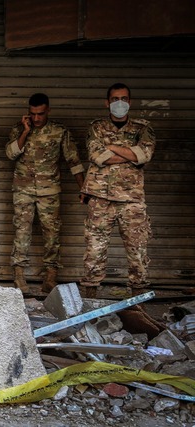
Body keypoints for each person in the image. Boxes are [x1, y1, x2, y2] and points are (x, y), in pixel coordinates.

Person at [80, 83, 155, 298]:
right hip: (100, 199)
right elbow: (97, 157)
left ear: (129, 102)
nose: (119, 103)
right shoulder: (96, 128)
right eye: (115, 99)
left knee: (137, 252)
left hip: (132, 201)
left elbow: (144, 156)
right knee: (94, 252)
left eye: (123, 98)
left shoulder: (143, 129)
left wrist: (111, 147)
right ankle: (90, 301)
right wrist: (130, 154)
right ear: (107, 102)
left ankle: (137, 304)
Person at [6, 93, 85, 293]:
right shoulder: (18, 129)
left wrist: (83, 188)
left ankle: (50, 277)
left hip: (49, 191)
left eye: (40, 114)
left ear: (48, 110)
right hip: (23, 190)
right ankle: (19, 277)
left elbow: (74, 162)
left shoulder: (59, 131)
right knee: (21, 232)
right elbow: (11, 154)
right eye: (33, 114)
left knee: (52, 234)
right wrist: (25, 132)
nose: (37, 118)